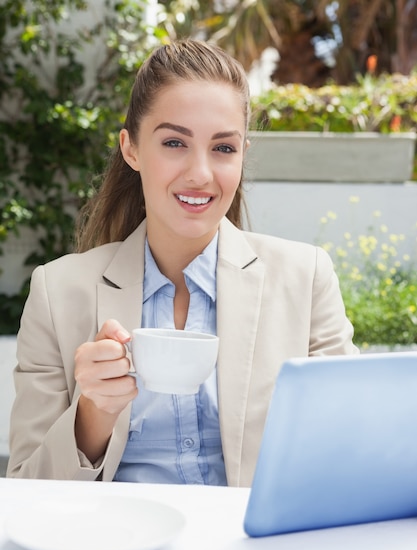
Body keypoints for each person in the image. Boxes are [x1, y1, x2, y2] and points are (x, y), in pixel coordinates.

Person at [7, 39, 358, 486]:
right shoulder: (57, 293)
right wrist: (92, 413)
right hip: (120, 545)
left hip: (255, 547)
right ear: (131, 149)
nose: (200, 174)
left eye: (223, 148)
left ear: (243, 154)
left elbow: (349, 448)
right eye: (174, 142)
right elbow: (25, 490)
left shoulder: (305, 279)